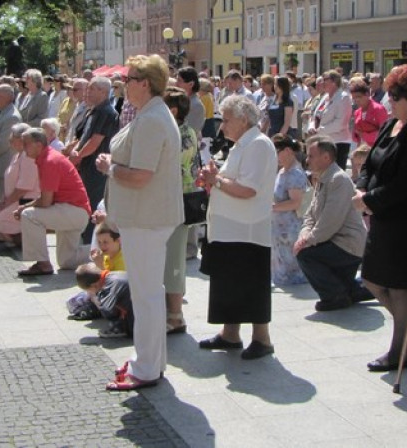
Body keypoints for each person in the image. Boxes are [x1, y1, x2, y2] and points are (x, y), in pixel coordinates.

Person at [96, 54, 183, 391]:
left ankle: (146, 369)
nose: (125, 84)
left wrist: (110, 169)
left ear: (144, 83)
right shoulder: (152, 114)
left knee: (146, 296)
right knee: (149, 293)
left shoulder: (151, 119)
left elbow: (141, 175)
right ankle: (151, 362)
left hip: (146, 218)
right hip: (147, 217)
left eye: (129, 79)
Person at [353, 62, 407, 372]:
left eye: (396, 96)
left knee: (400, 287)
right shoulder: (391, 125)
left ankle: (399, 349)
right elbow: (371, 163)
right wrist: (362, 190)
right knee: (373, 280)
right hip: (380, 217)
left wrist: (370, 201)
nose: (390, 100)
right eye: (389, 94)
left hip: (403, 220)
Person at [197, 95, 277, 360]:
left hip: (247, 230)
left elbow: (247, 189)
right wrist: (215, 177)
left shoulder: (258, 144)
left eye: (227, 120)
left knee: (250, 284)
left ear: (243, 120)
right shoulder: (243, 143)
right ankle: (230, 334)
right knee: (229, 283)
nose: (222, 126)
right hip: (230, 228)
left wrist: (216, 180)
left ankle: (261, 339)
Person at [295, 136, 369, 311]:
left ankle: (335, 297)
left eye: (311, 156)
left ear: (326, 158)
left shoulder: (338, 179)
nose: (307, 160)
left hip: (347, 244)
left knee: (305, 255)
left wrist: (308, 241)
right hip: (334, 241)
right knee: (305, 249)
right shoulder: (322, 179)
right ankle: (350, 290)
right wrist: (303, 235)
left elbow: (330, 221)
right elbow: (310, 215)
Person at [14, 128, 91, 275]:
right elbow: (46, 200)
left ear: (38, 145)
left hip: (73, 211)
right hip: (75, 212)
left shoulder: (50, 161)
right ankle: (106, 250)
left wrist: (23, 207)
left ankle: (42, 264)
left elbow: (45, 202)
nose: (23, 147)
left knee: (29, 215)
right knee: (67, 261)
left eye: (26, 144)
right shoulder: (48, 158)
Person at [161, 87, 201, 334]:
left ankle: (175, 316)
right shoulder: (185, 131)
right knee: (171, 256)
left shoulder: (178, 134)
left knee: (174, 258)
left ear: (173, 110)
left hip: (177, 198)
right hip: (178, 197)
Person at [68, 75, 119, 243]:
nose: (87, 92)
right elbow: (84, 137)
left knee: (93, 203)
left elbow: (95, 141)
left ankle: (91, 243)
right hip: (87, 166)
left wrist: (78, 155)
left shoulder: (106, 112)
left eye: (91, 89)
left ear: (103, 91)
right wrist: (75, 150)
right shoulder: (94, 110)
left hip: (97, 168)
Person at [0, 123, 38, 243]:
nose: (9, 139)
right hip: (13, 199)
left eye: (12, 136)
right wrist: (3, 201)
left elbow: (24, 186)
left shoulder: (28, 157)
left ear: (21, 139)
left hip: (24, 200)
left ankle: (25, 240)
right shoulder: (17, 155)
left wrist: (7, 203)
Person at [270, 135, 307, 286]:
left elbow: (296, 202)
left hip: (290, 229)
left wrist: (272, 207)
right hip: (279, 228)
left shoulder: (295, 173)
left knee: (290, 267)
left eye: (277, 151)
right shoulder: (282, 171)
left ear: (287, 151)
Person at [308, 70, 353, 170]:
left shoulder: (343, 97)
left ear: (334, 81)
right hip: (322, 141)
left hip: (338, 143)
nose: (321, 83)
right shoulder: (325, 97)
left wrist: (319, 130)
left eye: (325, 80)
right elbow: (315, 115)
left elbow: (340, 123)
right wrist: (311, 126)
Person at [76, 262, 134, 338]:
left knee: (113, 317)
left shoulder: (108, 286)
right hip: (148, 310)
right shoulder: (115, 274)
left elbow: (108, 312)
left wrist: (95, 298)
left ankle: (121, 329)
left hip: (138, 321)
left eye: (89, 290)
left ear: (94, 286)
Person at [350, 78, 388, 147]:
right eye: (354, 98)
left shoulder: (378, 109)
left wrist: (364, 135)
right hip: (361, 150)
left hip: (376, 148)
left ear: (367, 94)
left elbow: (385, 132)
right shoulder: (357, 112)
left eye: (359, 97)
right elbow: (355, 137)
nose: (356, 100)